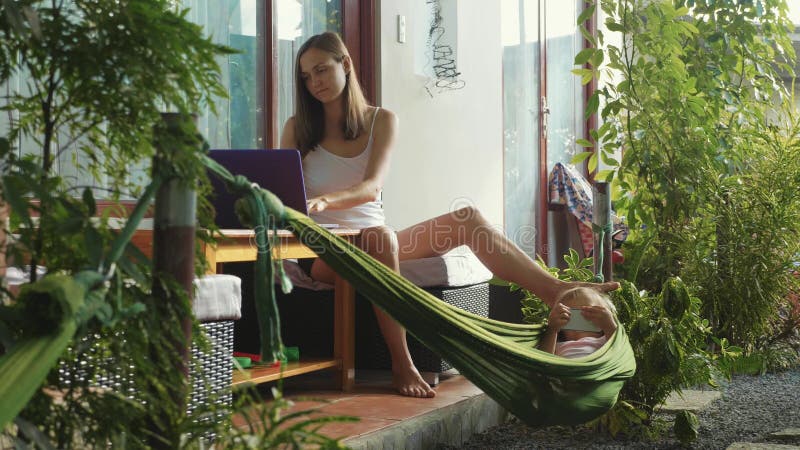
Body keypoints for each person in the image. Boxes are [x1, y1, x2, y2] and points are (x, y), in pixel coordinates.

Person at [280, 31, 619, 398]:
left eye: (320, 70)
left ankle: (553, 289)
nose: (314, 83)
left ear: (345, 64)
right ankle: (403, 363)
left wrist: (325, 200)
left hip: (372, 239)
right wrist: (314, 208)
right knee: (381, 237)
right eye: (306, 76)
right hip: (324, 252)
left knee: (465, 217)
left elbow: (372, 186)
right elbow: (282, 192)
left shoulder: (382, 121)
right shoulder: (297, 128)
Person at [537, 287, 617, 357]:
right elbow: (543, 362)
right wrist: (552, 330)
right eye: (571, 316)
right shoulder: (556, 345)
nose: (579, 324)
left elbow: (621, 352)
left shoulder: (606, 341)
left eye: (590, 313)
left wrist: (609, 326)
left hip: (598, 372)